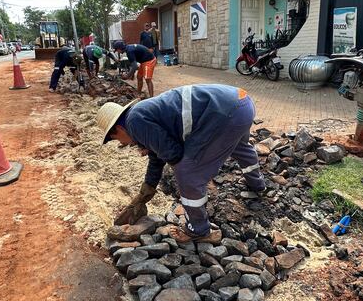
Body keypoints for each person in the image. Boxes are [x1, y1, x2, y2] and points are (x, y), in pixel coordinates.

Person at [96, 84, 265, 243]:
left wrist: (153, 148)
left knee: (187, 172)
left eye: (117, 140)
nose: (124, 143)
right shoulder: (140, 113)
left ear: (117, 130)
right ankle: (257, 184)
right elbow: (157, 157)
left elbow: (173, 154)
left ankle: (198, 229)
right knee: (241, 148)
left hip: (225, 115)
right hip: (242, 103)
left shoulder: (134, 123)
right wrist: (147, 189)